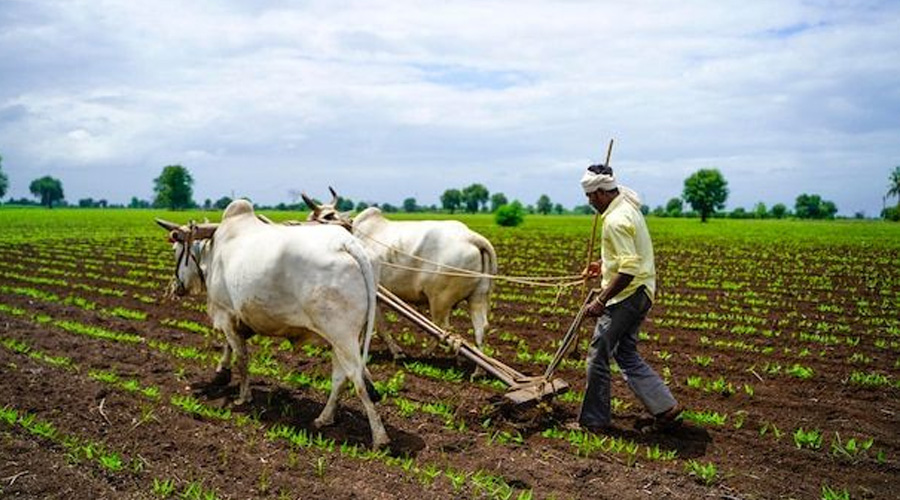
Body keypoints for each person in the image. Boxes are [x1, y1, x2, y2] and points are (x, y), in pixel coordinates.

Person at [575, 163, 680, 433]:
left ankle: (594, 422)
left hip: (628, 294)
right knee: (625, 352)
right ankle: (665, 407)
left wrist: (600, 301)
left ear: (599, 193)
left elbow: (629, 269)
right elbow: (625, 257)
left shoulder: (615, 219)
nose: (589, 202)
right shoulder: (626, 205)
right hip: (644, 290)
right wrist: (604, 263)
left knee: (598, 354)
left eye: (590, 197)